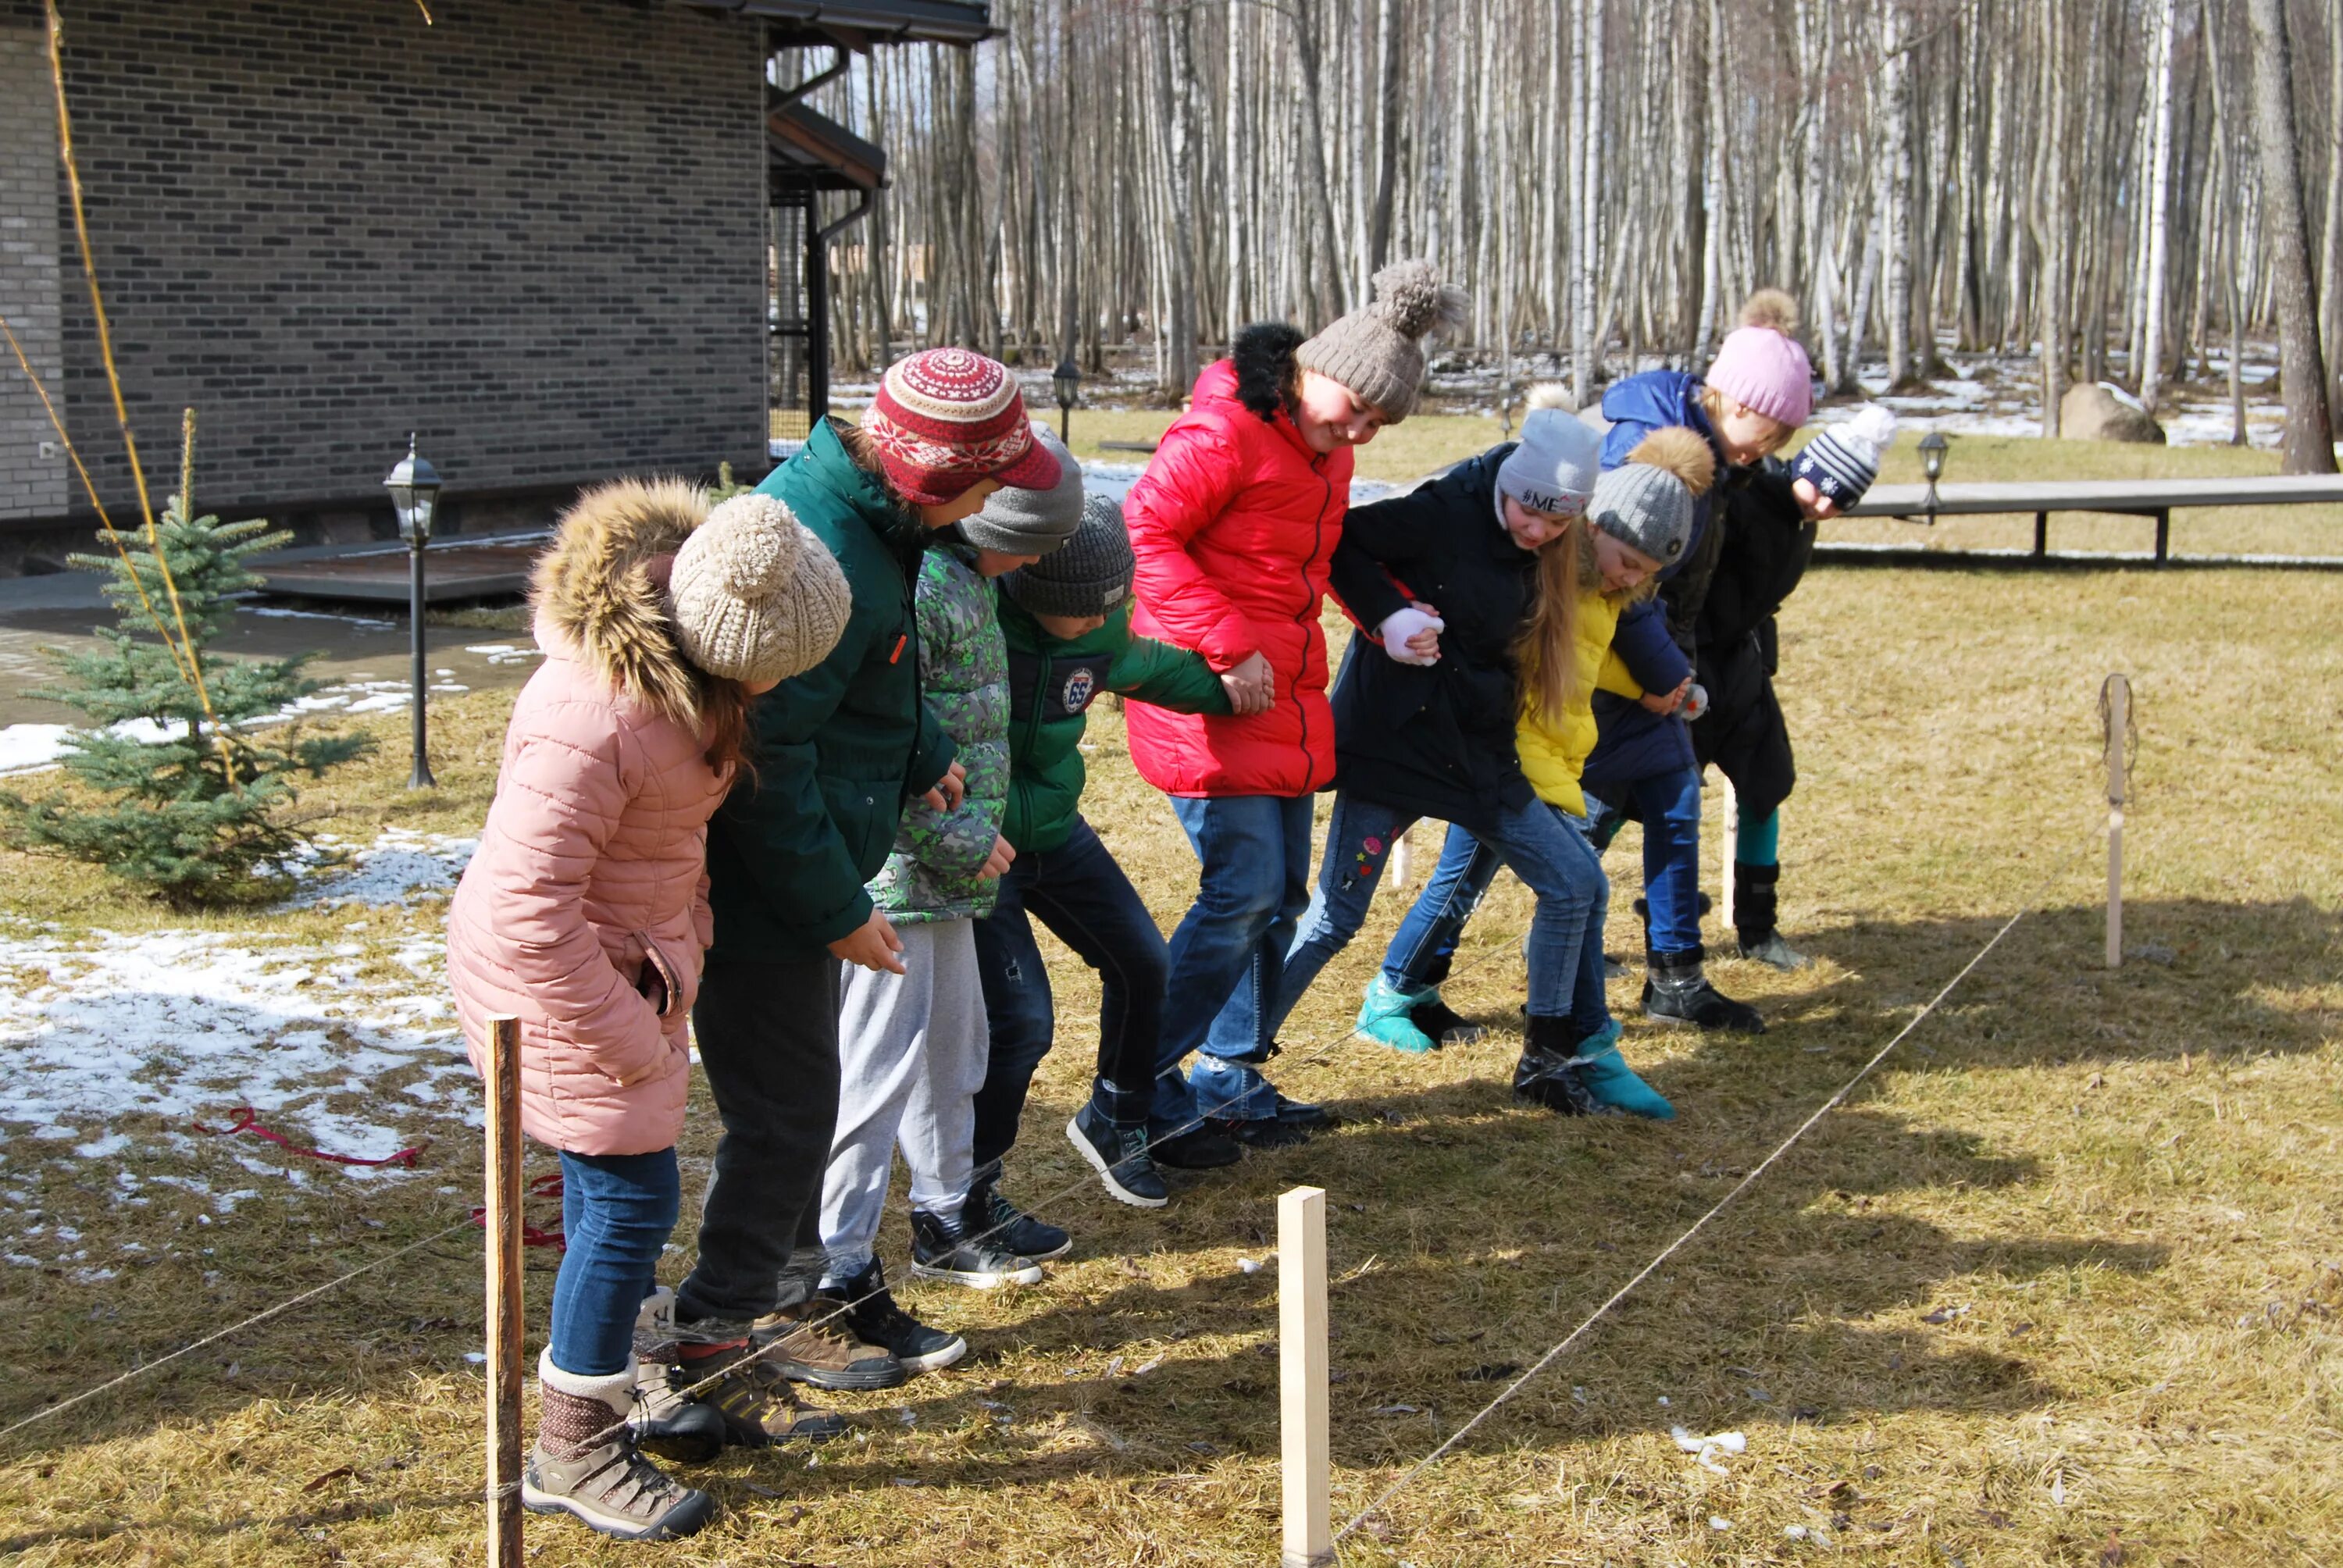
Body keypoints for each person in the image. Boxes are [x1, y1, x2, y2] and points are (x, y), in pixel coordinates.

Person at [445, 482, 851, 1540]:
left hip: (629, 971)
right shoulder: (595, 714)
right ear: (718, 636)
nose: (774, 688)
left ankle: (612, 1378)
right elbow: (530, 909)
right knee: (631, 1205)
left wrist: (691, 936)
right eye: (772, 668)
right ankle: (571, 1449)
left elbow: (661, 848)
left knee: (608, 1202)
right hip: (562, 994)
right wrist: (627, 1039)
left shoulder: (681, 682)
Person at [672, 347, 1060, 1423]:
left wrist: (920, 749)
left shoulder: (881, 525)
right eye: (990, 482)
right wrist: (840, 912)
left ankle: (774, 1307)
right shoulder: (827, 537)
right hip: (765, 888)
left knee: (798, 1105)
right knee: (789, 1112)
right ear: (937, 476)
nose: (996, 505)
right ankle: (735, 1323)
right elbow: (767, 760)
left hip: (818, 857)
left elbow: (879, 671)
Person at [1270, 411, 1702, 1119]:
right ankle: (1232, 1059)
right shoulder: (1458, 518)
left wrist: (1668, 685)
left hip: (1487, 758)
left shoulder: (1563, 558)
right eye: (1530, 513)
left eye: (1556, 522)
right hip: (1403, 746)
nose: (1536, 531)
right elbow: (1343, 547)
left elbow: (1585, 655)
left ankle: (1553, 1054)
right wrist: (1391, 617)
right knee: (1338, 915)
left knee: (1574, 883)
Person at [1125, 259, 1467, 1149]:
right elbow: (1144, 533)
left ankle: (1228, 1077)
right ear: (1315, 367)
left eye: (1378, 423)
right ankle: (1137, 1083)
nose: (1359, 429)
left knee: (1277, 900)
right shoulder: (1225, 433)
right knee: (1239, 894)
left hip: (1281, 697)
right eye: (1354, 406)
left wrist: (1384, 618)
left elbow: (1312, 565)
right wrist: (1228, 643)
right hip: (1205, 693)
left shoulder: (1329, 454)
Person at [815, 429, 1082, 1374]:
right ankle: (836, 1264)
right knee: (874, 1070)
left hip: (953, 870)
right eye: (1036, 543)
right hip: (901, 870)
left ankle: (946, 1208)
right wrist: (959, 836)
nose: (1043, 565)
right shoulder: (921, 587)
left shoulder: (972, 580)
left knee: (956, 1045)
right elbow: (895, 742)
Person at [969, 491, 1237, 1231]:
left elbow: (1139, 664)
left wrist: (1226, 691)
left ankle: (1117, 1116)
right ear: (1033, 584)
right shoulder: (977, 618)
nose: (1099, 621)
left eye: (1109, 607)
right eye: (1085, 609)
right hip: (979, 846)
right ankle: (966, 1189)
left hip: (1056, 829)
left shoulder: (1100, 624)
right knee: (1022, 1021)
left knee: (1143, 963)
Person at [1574, 288, 1815, 1033]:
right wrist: (1656, 676)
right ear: (1731, 400)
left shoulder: (1719, 456)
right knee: (1579, 822)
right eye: (1764, 433)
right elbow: (1618, 579)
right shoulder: (1656, 447)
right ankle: (1555, 968)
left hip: (1662, 657)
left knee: (1676, 801)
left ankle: (1675, 978)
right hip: (1615, 660)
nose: (1764, 453)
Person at [1697, 404, 1895, 968]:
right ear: (1808, 465)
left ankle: (1758, 931)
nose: (1828, 505)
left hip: (1744, 670)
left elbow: (1762, 602)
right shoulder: (1744, 496)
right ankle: (1621, 934)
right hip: (1688, 666)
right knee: (1634, 799)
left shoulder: (1804, 518)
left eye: (1844, 501)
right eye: (1825, 488)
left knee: (1767, 786)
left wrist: (1764, 661)